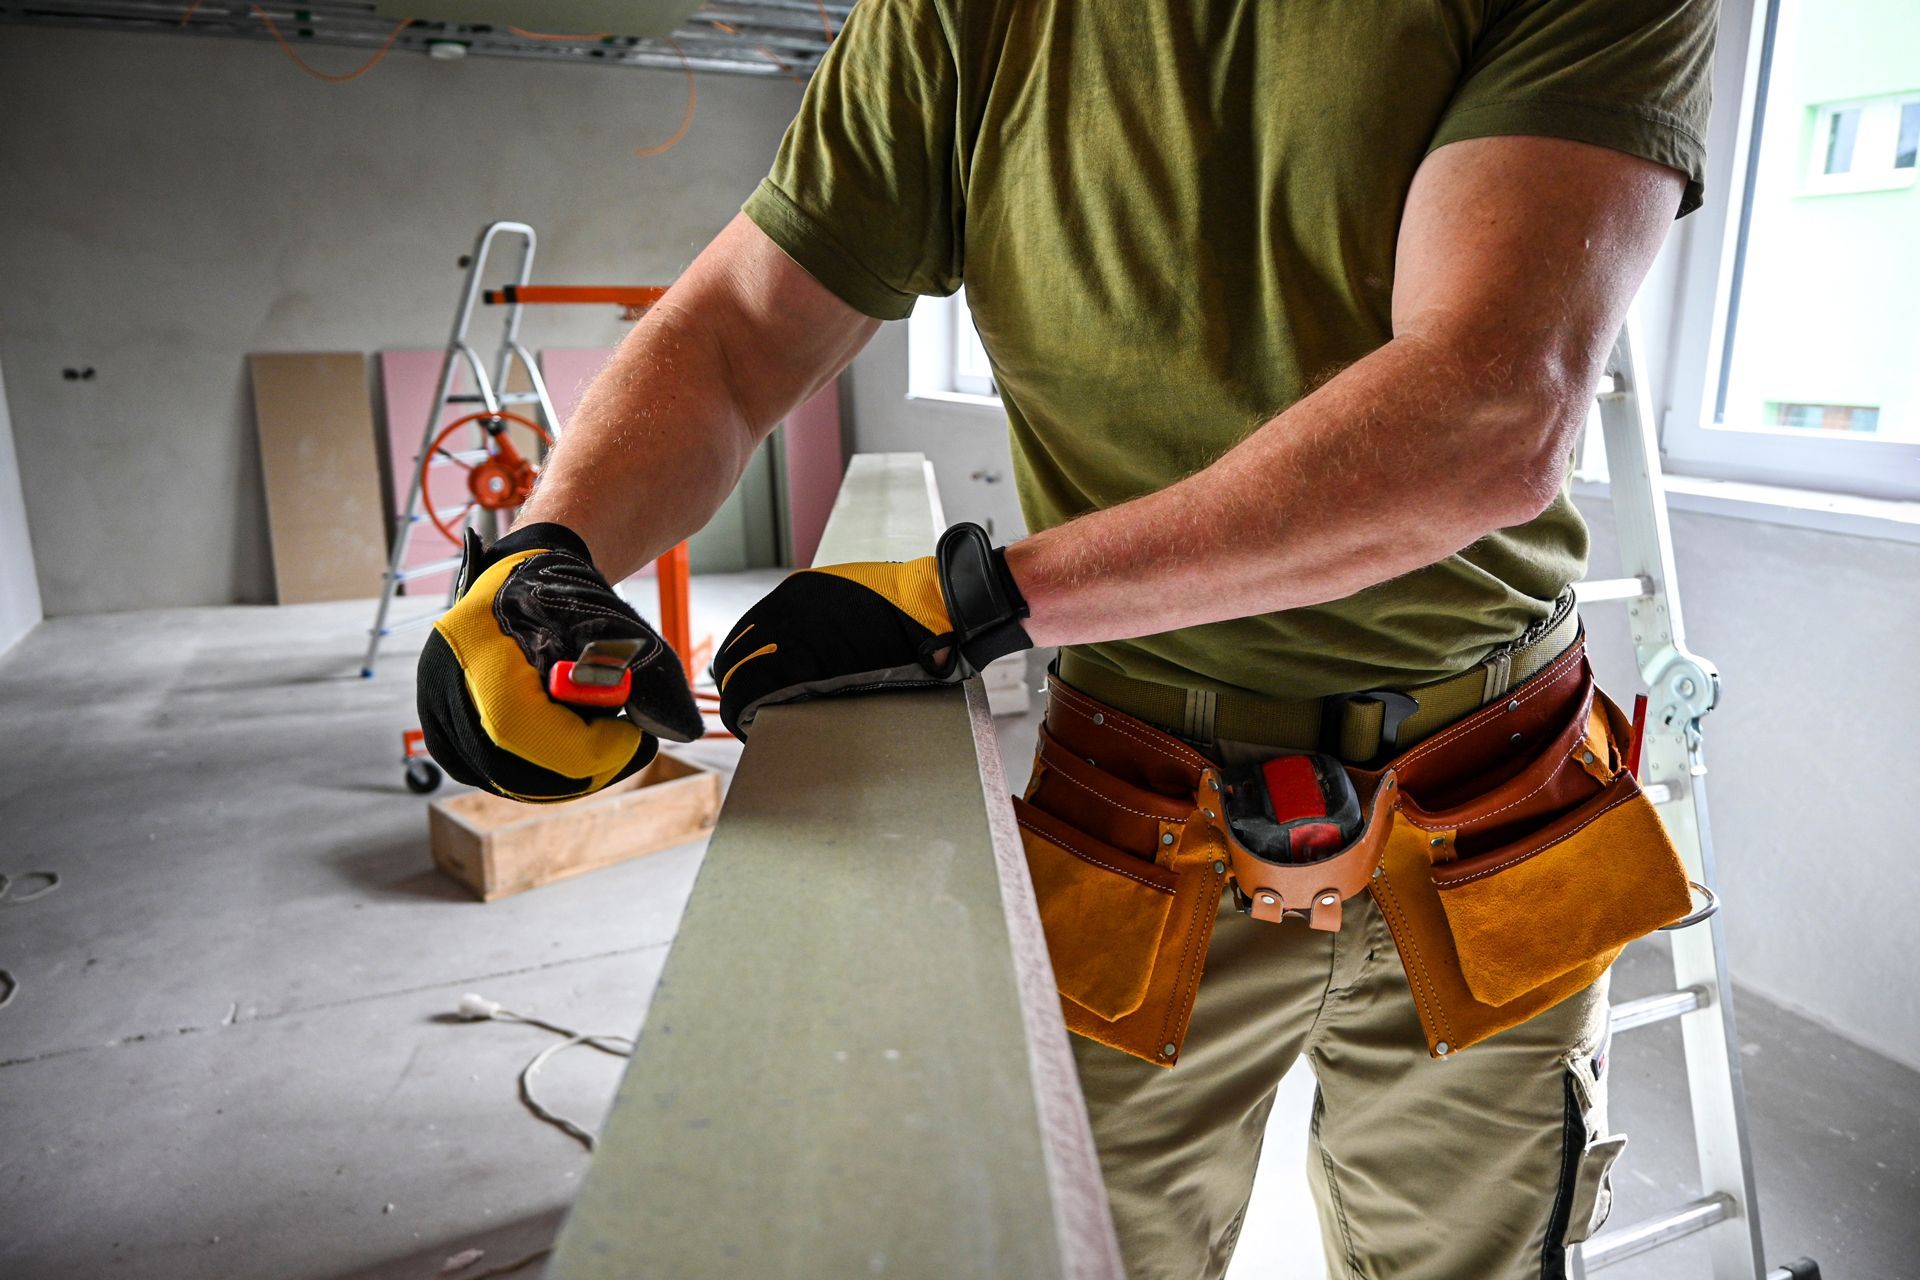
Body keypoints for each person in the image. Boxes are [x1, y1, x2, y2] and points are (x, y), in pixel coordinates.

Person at [417, 2, 1719, 1275]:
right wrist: (547, 551)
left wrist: (980, 602)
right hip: (1141, 800)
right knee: (1084, 1240)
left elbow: (1492, 410)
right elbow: (738, 330)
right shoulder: (960, 23)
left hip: (1487, 800)